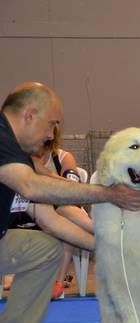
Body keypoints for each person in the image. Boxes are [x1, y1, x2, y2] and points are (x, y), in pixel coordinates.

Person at [0, 82, 140, 323]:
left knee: (44, 248)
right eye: (51, 124)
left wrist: (110, 246)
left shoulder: (15, 149)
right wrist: (108, 194)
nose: (51, 134)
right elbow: (32, 186)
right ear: (29, 115)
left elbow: (50, 203)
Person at [31, 125, 94, 298]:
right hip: (33, 215)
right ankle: (110, 234)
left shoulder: (64, 157)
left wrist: (45, 175)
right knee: (65, 216)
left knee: (66, 214)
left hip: (64, 208)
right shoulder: (21, 158)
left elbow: (72, 188)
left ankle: (57, 284)